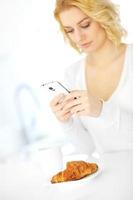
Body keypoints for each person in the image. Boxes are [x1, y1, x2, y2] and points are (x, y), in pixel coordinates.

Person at [50, 1, 133, 199]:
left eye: (85, 25)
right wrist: (66, 122)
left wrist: (102, 109)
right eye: (69, 30)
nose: (79, 37)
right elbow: (88, 148)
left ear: (103, 17)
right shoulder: (72, 74)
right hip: (108, 183)